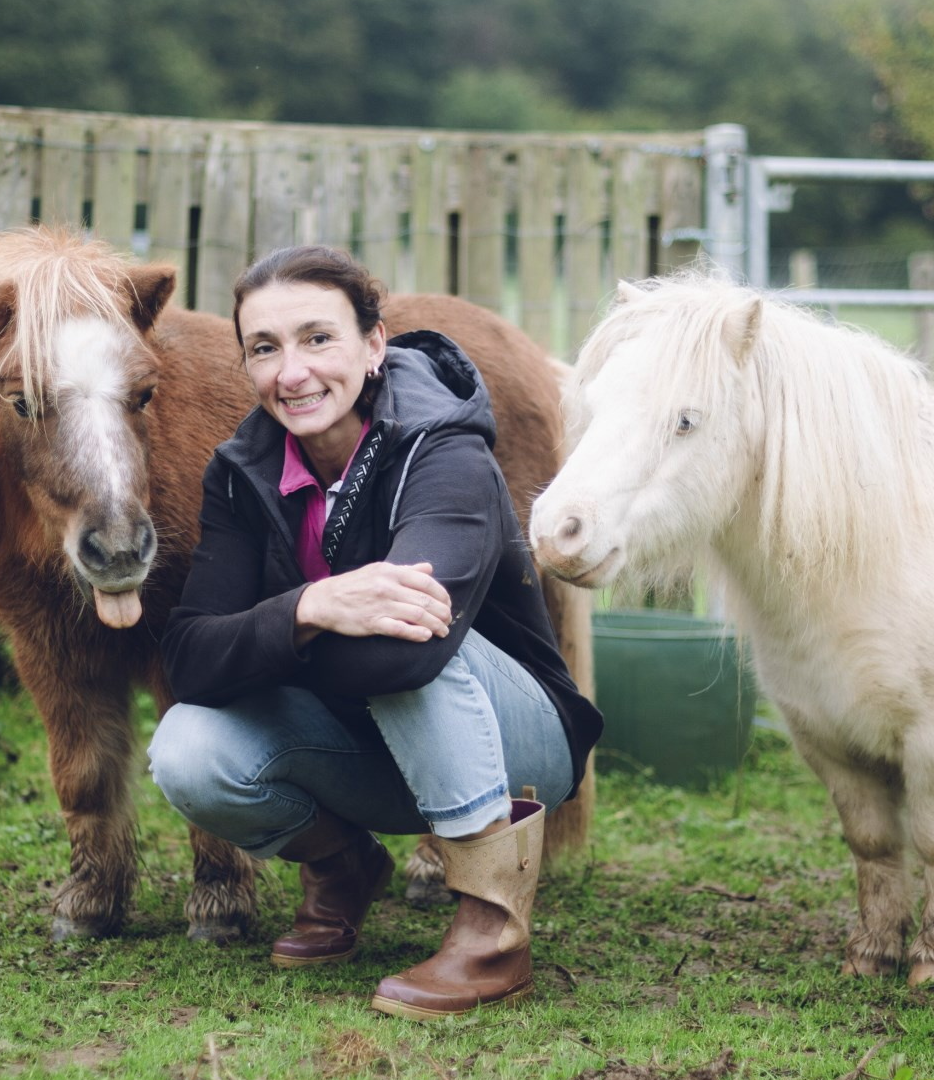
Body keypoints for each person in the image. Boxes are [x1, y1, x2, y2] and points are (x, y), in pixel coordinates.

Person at [147, 246, 603, 1019]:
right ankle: (343, 865)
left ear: (374, 345)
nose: (292, 373)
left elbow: (403, 648)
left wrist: (270, 643)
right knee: (187, 749)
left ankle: (493, 929)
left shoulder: (445, 445)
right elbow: (190, 660)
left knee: (410, 643)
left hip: (513, 748)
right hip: (369, 748)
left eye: (318, 339)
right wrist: (309, 608)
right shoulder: (240, 470)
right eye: (265, 348)